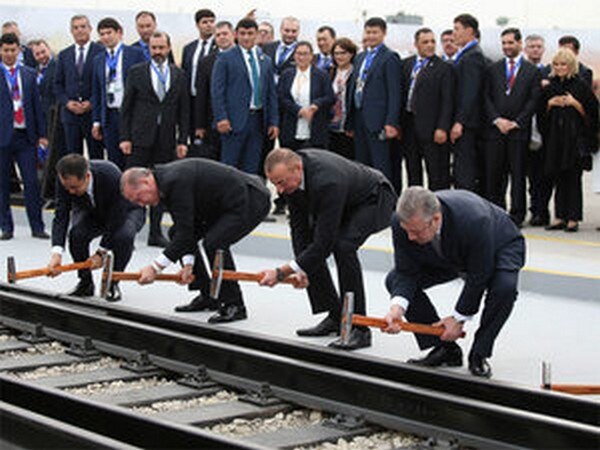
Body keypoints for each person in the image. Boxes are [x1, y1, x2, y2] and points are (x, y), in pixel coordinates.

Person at [260, 148, 397, 350]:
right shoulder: (290, 181)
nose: (278, 190)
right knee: (310, 249)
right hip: (347, 200)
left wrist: (282, 272)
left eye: (280, 183)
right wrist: (300, 267)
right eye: (274, 184)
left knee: (343, 246)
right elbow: (299, 230)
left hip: (375, 198)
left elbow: (323, 245)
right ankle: (335, 315)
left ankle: (359, 328)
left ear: (298, 169)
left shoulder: (327, 181)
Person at [383, 187, 525, 378]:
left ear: (436, 219)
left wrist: (458, 318)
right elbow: (406, 271)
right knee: (394, 281)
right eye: (407, 231)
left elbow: (479, 274)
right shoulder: (402, 223)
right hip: (447, 254)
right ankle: (445, 349)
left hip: (499, 244)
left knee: (504, 288)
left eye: (415, 232)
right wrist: (397, 309)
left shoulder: (474, 219)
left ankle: (479, 353)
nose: (410, 237)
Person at [121, 159, 271, 322]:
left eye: (138, 198)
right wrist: (188, 264)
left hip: (250, 199)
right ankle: (207, 294)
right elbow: (184, 228)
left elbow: (186, 235)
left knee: (214, 242)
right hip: (220, 205)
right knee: (175, 232)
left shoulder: (174, 181)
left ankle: (234, 304)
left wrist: (155, 268)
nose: (141, 204)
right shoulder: (164, 183)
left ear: (146, 181)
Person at [119, 31, 189, 248]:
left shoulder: (179, 75)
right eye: (153, 48)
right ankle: (125, 232)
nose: (157, 52)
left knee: (159, 187)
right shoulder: (137, 72)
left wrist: (182, 140)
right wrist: (125, 137)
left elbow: (184, 110)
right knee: (132, 186)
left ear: (168, 48)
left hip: (166, 139)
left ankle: (155, 232)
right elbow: (126, 107)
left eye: (161, 48)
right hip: (140, 137)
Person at [49, 154, 144, 300]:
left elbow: (116, 216)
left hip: (127, 210)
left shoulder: (110, 174)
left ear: (87, 176)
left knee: (123, 236)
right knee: (77, 235)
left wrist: (101, 252)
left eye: (74, 187)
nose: (71, 192)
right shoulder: (65, 180)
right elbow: (61, 215)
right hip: (95, 211)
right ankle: (85, 283)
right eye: (67, 187)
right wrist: (57, 253)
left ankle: (113, 282)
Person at [482, 28, 540, 227]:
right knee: (495, 175)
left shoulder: (532, 71)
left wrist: (517, 122)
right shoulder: (493, 69)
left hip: (518, 132)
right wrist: (497, 120)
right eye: (504, 43)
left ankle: (517, 215)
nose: (507, 47)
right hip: (496, 131)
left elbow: (533, 100)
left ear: (519, 44)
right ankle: (495, 212)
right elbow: (486, 97)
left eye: (510, 43)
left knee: (518, 176)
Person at [538, 48, 598, 232]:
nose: (559, 68)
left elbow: (593, 113)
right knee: (557, 176)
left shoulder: (580, 86)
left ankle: (573, 218)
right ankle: (559, 216)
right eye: (556, 64)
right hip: (554, 140)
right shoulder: (550, 86)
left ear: (571, 65)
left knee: (573, 178)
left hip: (574, 141)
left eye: (563, 64)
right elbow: (540, 114)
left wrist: (575, 104)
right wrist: (550, 104)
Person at [211, 18, 279, 175]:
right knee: (229, 167)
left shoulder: (265, 60)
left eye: (250, 33)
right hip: (234, 122)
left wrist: (273, 121)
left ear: (256, 35)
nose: (246, 37)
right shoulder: (225, 58)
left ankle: (248, 198)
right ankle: (227, 199)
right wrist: (221, 117)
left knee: (252, 167)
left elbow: (271, 94)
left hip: (257, 121)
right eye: (242, 34)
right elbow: (217, 91)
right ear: (236, 34)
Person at [0, 32, 48, 240]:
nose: (9, 54)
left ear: (19, 50)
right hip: (2, 136)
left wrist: (42, 135)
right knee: (2, 184)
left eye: (13, 50)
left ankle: (37, 226)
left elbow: (37, 106)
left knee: (31, 182)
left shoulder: (28, 74)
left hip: (26, 136)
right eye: (5, 50)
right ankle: (6, 227)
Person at [346, 17, 402, 192]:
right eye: (368, 32)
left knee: (381, 165)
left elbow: (394, 93)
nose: (370, 36)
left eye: (375, 32)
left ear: (383, 34)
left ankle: (385, 202)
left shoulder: (390, 57)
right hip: (359, 117)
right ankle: (366, 202)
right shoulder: (360, 57)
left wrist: (391, 122)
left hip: (378, 121)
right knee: (362, 166)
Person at [400, 28, 454, 191]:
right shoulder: (406, 64)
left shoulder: (444, 68)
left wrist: (442, 127)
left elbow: (448, 101)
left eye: (432, 41)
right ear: (416, 44)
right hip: (409, 126)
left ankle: (439, 208)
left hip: (433, 129)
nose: (430, 45)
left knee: (437, 174)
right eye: (425, 42)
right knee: (412, 171)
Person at [91, 17, 145, 169]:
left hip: (130, 114)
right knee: (114, 159)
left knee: (132, 158)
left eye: (109, 33)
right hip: (109, 115)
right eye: (102, 34)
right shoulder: (99, 59)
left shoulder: (135, 54)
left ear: (119, 33)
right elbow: (97, 92)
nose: (106, 37)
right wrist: (97, 121)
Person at [53, 15, 104, 159]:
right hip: (70, 115)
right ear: (71, 31)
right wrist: (67, 103)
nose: (80, 30)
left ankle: (96, 181)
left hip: (92, 115)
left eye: (83, 26)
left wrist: (92, 103)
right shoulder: (64, 55)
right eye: (76, 27)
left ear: (90, 29)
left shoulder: (100, 52)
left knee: (96, 157)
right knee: (73, 158)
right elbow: (57, 84)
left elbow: (103, 84)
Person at [450, 14, 486, 192]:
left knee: (465, 171)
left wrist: (459, 122)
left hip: (467, 124)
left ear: (469, 31)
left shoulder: (472, 57)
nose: (453, 33)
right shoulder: (464, 54)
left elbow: (469, 93)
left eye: (457, 29)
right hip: (463, 122)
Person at [278, 41, 335, 150]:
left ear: (311, 56)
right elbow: (281, 98)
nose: (302, 57)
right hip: (291, 127)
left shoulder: (321, 75)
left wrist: (316, 105)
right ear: (294, 55)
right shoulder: (287, 74)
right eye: (299, 53)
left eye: (305, 54)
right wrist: (298, 110)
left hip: (315, 128)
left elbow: (330, 97)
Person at [194, 21, 235, 160]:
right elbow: (201, 95)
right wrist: (199, 125)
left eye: (225, 34)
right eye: (218, 35)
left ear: (233, 35)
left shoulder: (245, 58)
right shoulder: (206, 62)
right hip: (213, 121)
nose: (222, 37)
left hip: (239, 120)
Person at [523, 34, 549, 227]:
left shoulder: (549, 73)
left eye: (538, 46)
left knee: (540, 176)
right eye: (531, 46)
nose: (535, 50)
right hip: (522, 129)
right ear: (525, 49)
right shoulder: (521, 72)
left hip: (542, 132)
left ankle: (540, 211)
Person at [181, 9, 217, 144]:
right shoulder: (189, 49)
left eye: (212, 21)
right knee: (195, 141)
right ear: (197, 25)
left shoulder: (218, 46)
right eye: (205, 22)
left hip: (210, 102)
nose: (209, 25)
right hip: (191, 100)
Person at [328, 37, 357, 160]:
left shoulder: (356, 73)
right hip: (331, 124)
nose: (339, 57)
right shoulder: (331, 72)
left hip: (348, 126)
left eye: (343, 53)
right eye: (336, 53)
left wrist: (352, 124)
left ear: (351, 54)